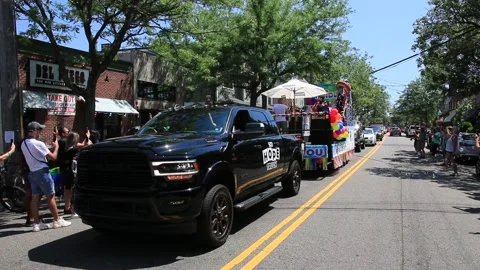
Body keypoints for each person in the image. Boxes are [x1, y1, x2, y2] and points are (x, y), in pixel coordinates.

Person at [20, 121, 71, 232]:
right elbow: (53, 157)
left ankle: (36, 223)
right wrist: (56, 146)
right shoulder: (38, 143)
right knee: (50, 196)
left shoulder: (23, 143)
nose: (40, 132)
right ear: (33, 131)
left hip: (32, 172)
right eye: (38, 130)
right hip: (42, 171)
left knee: (35, 197)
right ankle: (57, 220)